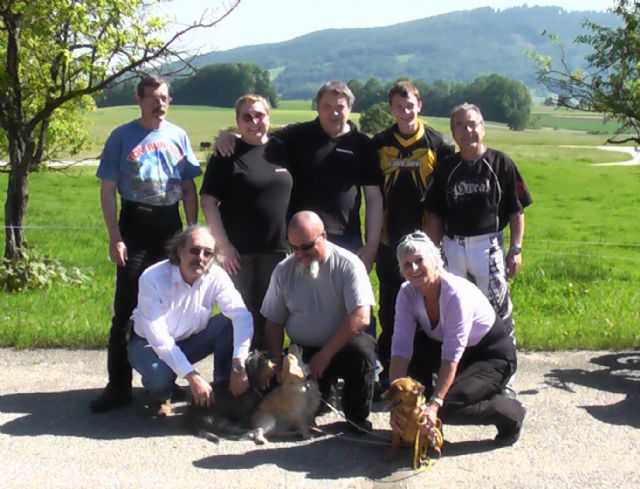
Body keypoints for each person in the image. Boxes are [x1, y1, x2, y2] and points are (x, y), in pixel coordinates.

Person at [92, 74, 202, 413]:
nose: (160, 103)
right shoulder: (122, 136)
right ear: (139, 100)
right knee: (127, 308)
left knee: (171, 306)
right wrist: (115, 237)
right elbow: (108, 189)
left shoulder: (178, 136)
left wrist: (192, 233)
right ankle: (118, 386)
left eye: (164, 97)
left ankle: (164, 382)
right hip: (135, 224)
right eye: (153, 97)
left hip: (170, 226)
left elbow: (189, 188)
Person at [217, 81, 383, 273]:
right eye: (327, 107)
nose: (334, 113)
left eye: (340, 107)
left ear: (350, 108)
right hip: (301, 239)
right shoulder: (297, 136)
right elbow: (258, 135)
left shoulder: (363, 145)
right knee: (301, 292)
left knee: (347, 292)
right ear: (317, 108)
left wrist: (371, 245)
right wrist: (228, 135)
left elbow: (373, 198)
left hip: (346, 237)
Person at [389, 231, 526, 446]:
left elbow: (451, 356)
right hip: (449, 349)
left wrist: (434, 405)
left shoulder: (455, 294)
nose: (414, 268)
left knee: (447, 406)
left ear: (435, 260)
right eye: (407, 265)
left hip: (489, 355)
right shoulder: (406, 293)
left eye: (419, 261)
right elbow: (400, 348)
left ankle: (510, 413)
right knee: (415, 363)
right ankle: (425, 428)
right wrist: (396, 405)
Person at [372, 81, 455, 392]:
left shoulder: (439, 144)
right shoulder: (379, 144)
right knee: (391, 308)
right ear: (391, 109)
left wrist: (435, 244)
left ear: (419, 105)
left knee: (430, 307)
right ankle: (389, 371)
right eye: (399, 107)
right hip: (388, 242)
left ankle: (426, 370)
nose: (405, 112)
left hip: (425, 245)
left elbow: (443, 199)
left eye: (410, 106)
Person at [261, 211, 377, 432]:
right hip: (303, 354)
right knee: (270, 392)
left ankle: (356, 417)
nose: (300, 254)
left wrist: (325, 355)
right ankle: (320, 399)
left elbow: (361, 318)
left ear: (323, 236)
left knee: (363, 351)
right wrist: (276, 362)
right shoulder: (283, 271)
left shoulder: (349, 264)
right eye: (295, 248)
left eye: (307, 247)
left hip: (341, 347)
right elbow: (273, 322)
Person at [127, 226, 253, 416]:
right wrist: (193, 377)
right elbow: (159, 338)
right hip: (148, 344)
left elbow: (242, 315)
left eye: (208, 253)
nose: (201, 257)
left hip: (189, 340)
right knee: (159, 376)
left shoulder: (217, 276)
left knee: (229, 322)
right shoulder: (153, 278)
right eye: (194, 250)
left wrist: (238, 365)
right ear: (179, 250)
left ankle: (222, 389)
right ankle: (161, 394)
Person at [423, 102, 532, 322]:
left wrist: (516, 249)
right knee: (454, 309)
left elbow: (516, 210)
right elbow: (436, 214)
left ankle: (502, 345)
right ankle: (460, 346)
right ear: (453, 132)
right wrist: (431, 252)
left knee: (496, 310)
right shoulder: (446, 168)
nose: (467, 131)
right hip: (453, 246)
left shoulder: (501, 163)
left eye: (472, 124)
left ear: (483, 127)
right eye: (460, 126)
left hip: (488, 246)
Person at [200, 94, 292, 349]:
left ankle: (269, 367)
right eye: (247, 117)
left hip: (277, 250)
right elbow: (208, 202)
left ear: (268, 117)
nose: (254, 122)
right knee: (240, 314)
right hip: (238, 254)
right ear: (238, 121)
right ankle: (237, 369)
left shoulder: (283, 149)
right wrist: (223, 246)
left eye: (259, 115)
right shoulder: (226, 153)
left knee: (273, 315)